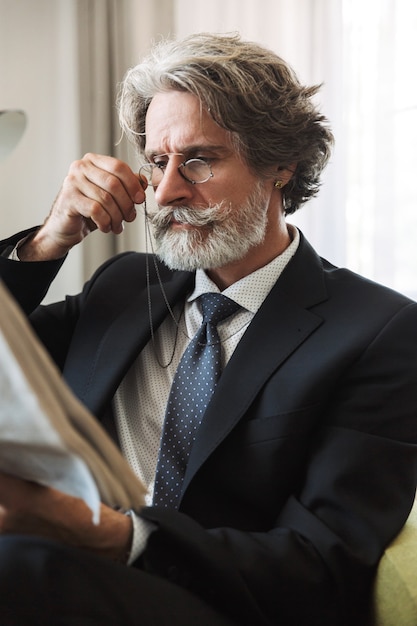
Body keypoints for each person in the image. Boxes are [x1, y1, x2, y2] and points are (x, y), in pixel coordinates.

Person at [0, 31, 416, 626]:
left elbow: (321, 565)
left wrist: (111, 537)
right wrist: (46, 242)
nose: (166, 192)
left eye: (198, 159)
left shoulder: (382, 332)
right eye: (157, 162)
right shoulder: (122, 286)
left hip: (216, 603)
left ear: (279, 164)